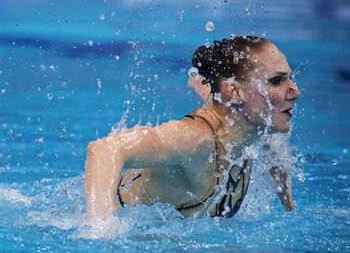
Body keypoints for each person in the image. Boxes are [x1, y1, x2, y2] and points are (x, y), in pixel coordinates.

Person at [85, 36, 300, 228]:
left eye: (290, 78)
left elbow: (273, 144)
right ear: (234, 91)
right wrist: (100, 230)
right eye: (276, 81)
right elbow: (105, 148)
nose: (295, 91)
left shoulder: (253, 125)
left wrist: (288, 204)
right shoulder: (196, 140)